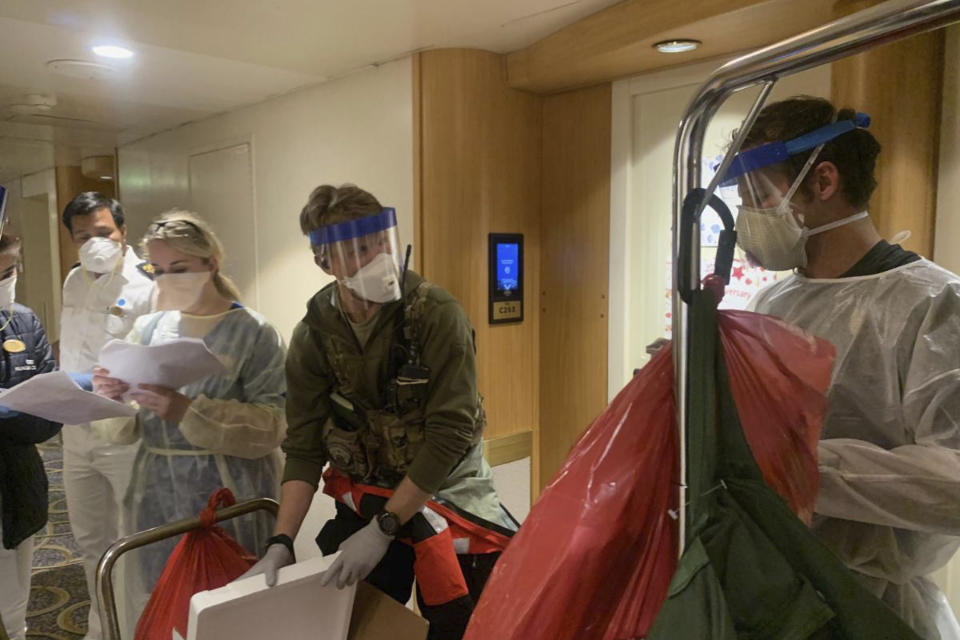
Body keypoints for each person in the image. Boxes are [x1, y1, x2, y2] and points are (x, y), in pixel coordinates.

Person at [725, 95, 960, 640]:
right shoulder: (772, 303)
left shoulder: (935, 304)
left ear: (823, 181)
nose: (748, 219)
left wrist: (801, 467)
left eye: (759, 196)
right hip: (784, 593)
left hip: (881, 608)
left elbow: (953, 480)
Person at [240, 184, 517, 640]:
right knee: (351, 623)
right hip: (367, 496)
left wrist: (387, 526)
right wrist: (281, 542)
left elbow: (450, 432)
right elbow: (305, 446)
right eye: (355, 250)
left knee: (465, 625)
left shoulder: (435, 314)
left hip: (448, 495)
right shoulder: (314, 337)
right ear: (324, 262)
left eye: (377, 243)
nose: (374, 258)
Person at [92, 210, 286, 628]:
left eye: (178, 269)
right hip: (155, 493)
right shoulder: (148, 329)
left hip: (232, 492)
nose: (167, 280)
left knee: (231, 607)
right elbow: (122, 427)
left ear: (211, 262)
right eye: (157, 271)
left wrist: (186, 411)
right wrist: (114, 397)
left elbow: (272, 425)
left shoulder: (252, 332)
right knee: (164, 604)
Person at [58, 192, 155, 640]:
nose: (95, 242)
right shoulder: (73, 280)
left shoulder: (146, 283)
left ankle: (137, 629)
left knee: (131, 543)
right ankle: (103, 627)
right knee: (89, 541)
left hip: (124, 432)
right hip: (76, 432)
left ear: (123, 232)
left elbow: (158, 361)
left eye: (104, 233)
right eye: (84, 236)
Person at [0, 234, 63, 640]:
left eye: (8, 272)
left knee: (14, 590)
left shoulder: (24, 320)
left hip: (16, 477)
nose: (4, 282)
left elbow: (49, 411)